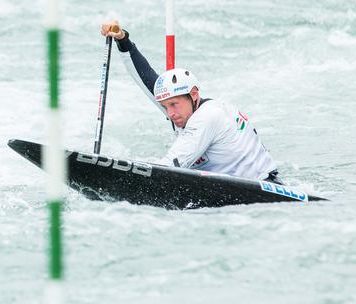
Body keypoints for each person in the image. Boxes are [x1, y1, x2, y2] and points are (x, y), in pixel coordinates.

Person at [100, 21, 283, 184]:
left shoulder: (208, 116)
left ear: (194, 94)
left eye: (173, 105)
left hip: (263, 189)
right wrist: (123, 41)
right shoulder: (184, 107)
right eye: (165, 106)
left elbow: (170, 166)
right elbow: (147, 79)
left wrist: (112, 175)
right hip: (236, 184)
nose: (170, 113)